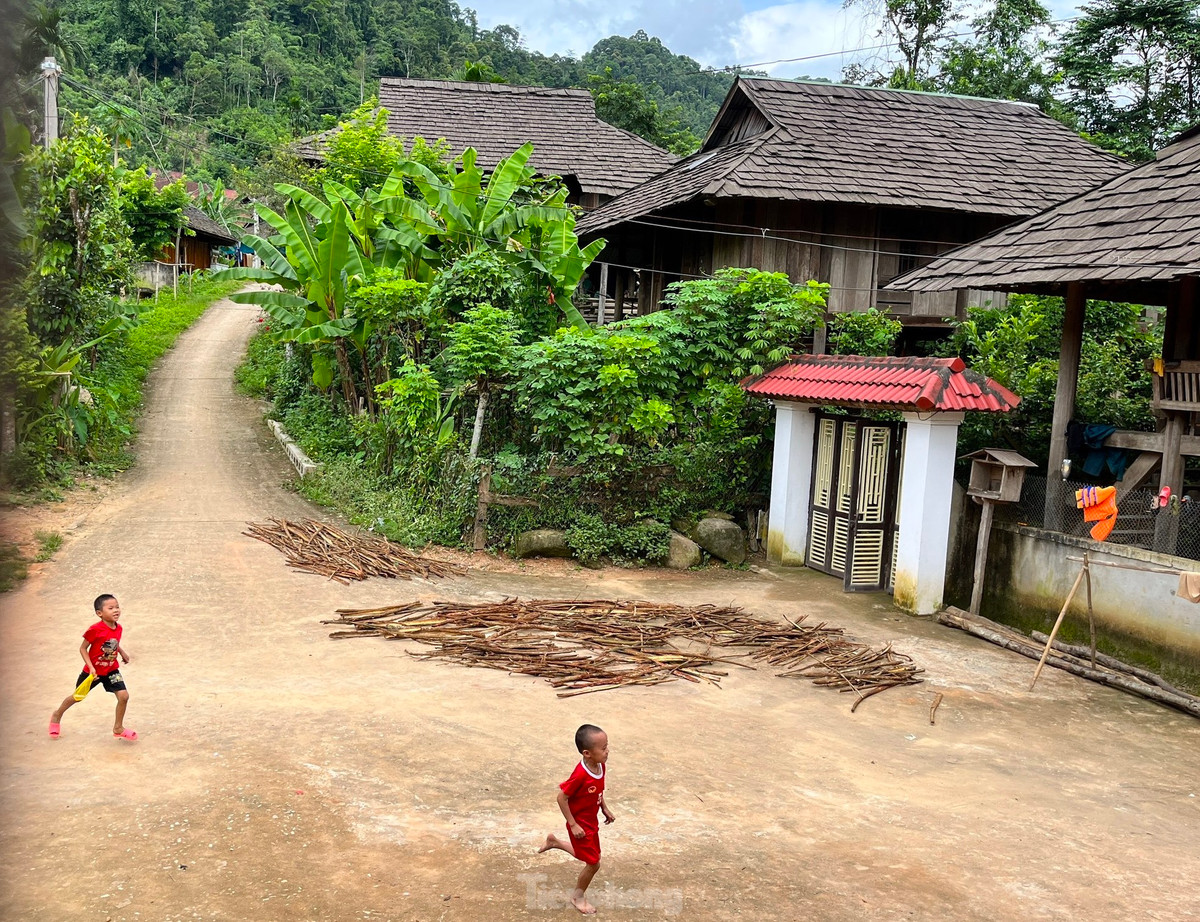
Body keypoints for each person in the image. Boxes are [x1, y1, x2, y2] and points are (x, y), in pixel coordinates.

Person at [538, 724, 614, 914]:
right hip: (580, 824)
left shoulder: (600, 766)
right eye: (603, 748)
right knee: (594, 862)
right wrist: (573, 825)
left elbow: (599, 790)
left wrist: (604, 808)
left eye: (607, 746)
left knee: (587, 855)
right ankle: (577, 897)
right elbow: (561, 797)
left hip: (592, 821)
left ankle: (554, 842)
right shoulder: (580, 774)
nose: (607, 751)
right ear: (587, 753)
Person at [49, 594, 136, 741]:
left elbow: (113, 642)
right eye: (111, 608)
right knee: (77, 697)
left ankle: (118, 728)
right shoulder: (95, 629)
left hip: (110, 670)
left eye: (117, 607)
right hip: (92, 673)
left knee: (124, 696)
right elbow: (83, 648)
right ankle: (57, 715)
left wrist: (122, 652)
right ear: (99, 613)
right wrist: (91, 667)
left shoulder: (118, 627)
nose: (116, 610)